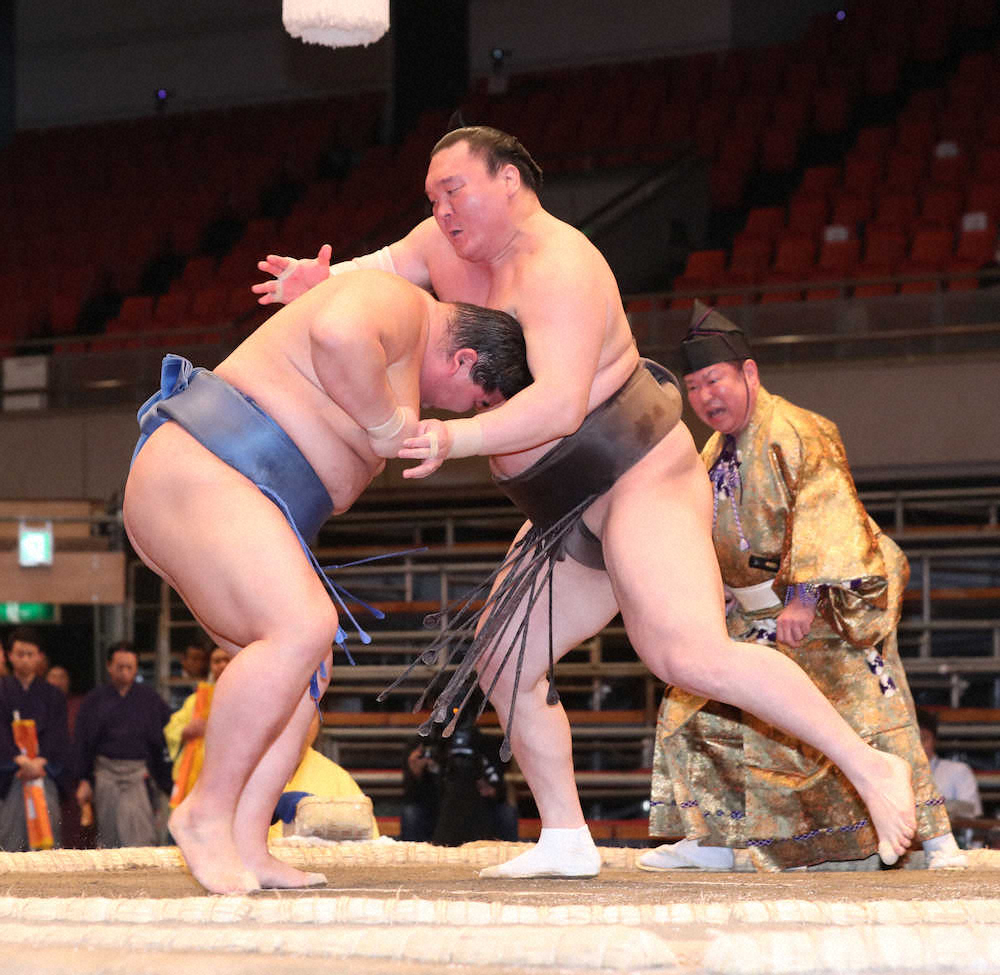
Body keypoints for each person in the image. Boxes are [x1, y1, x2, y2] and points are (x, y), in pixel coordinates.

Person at [253, 125, 918, 880]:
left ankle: (871, 768)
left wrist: (450, 439)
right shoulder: (443, 248)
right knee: (504, 659)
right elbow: (379, 268)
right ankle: (566, 836)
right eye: (432, 196)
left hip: (636, 473)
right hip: (557, 505)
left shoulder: (562, 267)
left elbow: (561, 405)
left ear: (509, 181)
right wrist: (322, 283)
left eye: (454, 190)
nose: (441, 210)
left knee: (688, 654)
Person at [123, 268, 533, 894]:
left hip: (226, 491)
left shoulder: (399, 331)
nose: (455, 413)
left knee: (305, 667)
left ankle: (245, 837)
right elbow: (339, 333)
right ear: (466, 360)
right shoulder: (402, 304)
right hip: (205, 470)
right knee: (301, 626)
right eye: (474, 402)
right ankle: (205, 812)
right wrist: (388, 427)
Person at [640, 303, 958, 872]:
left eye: (714, 380)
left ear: (750, 374)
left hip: (821, 609)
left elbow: (827, 510)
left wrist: (803, 598)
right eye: (693, 388)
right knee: (693, 707)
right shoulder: (712, 452)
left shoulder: (799, 429)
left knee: (874, 715)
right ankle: (715, 839)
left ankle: (938, 841)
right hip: (748, 615)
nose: (705, 397)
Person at [74, 642, 173, 849]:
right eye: (120, 667)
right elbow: (82, 743)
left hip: (138, 773)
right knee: (109, 836)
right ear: (109, 666)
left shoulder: (150, 700)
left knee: (141, 834)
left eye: (130, 667)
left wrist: (167, 778)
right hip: (105, 773)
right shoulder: (94, 700)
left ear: (136, 668)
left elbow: (165, 739)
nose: (125, 672)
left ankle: (142, 878)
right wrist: (83, 779)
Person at [0, 627, 72, 851]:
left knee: (47, 841)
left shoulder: (54, 695)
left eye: (30, 654)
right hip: (11, 775)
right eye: (19, 654)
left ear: (40, 657)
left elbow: (58, 735)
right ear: (9, 655)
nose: (24, 660)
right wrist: (18, 761)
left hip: (43, 774)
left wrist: (40, 761)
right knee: (10, 841)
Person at [267, 711, 379, 843]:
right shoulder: (243, 770)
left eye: (308, 716)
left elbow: (367, 850)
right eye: (291, 714)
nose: (299, 726)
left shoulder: (338, 780)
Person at [164, 645, 234, 804]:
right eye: (217, 661)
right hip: (196, 774)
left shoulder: (248, 697)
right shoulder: (195, 700)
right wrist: (185, 731)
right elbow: (173, 728)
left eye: (227, 660)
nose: (222, 665)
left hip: (231, 773)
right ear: (210, 666)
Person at [917, 708, 983, 821]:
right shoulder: (893, 775)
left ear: (935, 740)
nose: (918, 746)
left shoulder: (958, 771)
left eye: (923, 739)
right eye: (912, 740)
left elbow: (971, 815)